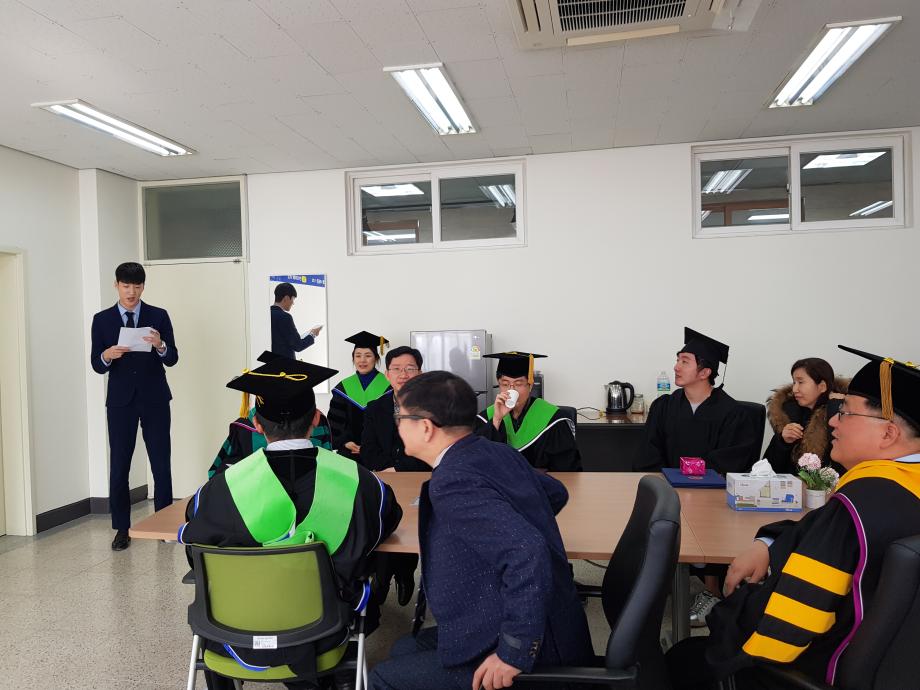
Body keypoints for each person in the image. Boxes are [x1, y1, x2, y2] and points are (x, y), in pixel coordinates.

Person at [665, 346, 920, 690]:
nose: (833, 420)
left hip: (811, 668)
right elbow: (818, 531)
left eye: (846, 412)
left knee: (682, 659)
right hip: (894, 667)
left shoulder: (858, 504)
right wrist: (767, 543)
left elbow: (785, 624)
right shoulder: (896, 488)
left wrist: (728, 613)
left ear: (888, 433)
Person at [179, 356, 403, 690]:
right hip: (327, 632)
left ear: (257, 424)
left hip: (234, 632)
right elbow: (386, 523)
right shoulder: (359, 481)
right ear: (316, 419)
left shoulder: (221, 489)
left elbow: (196, 546)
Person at [369, 371, 593, 690]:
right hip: (543, 615)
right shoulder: (493, 450)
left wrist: (514, 651)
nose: (397, 425)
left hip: (535, 644)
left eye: (400, 417)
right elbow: (555, 493)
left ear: (426, 427)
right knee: (404, 647)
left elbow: (527, 550)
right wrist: (493, 543)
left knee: (382, 678)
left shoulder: (454, 480)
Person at [638, 327, 755, 625]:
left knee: (710, 521)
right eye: (678, 359)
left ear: (705, 372)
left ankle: (711, 591)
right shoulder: (664, 406)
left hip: (711, 497)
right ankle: (663, 583)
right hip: (669, 491)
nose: (677, 366)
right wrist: (666, 482)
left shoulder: (732, 412)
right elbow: (649, 450)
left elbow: (733, 459)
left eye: (685, 361)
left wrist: (693, 480)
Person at [90, 261, 178, 551]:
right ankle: (122, 529)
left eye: (137, 286)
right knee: (119, 465)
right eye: (126, 286)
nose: (131, 292)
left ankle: (164, 525)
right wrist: (107, 355)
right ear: (116, 285)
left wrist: (161, 345)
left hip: (155, 399)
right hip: (120, 402)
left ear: (143, 287)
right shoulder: (102, 320)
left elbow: (172, 358)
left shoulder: (158, 315)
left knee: (161, 463)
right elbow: (96, 364)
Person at [360, 345, 428, 607]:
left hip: (418, 484)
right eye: (396, 369)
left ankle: (404, 573)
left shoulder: (433, 409)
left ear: (420, 373)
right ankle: (384, 576)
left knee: (410, 530)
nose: (403, 374)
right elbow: (368, 452)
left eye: (410, 368)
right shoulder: (375, 408)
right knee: (385, 525)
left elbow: (431, 452)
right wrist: (389, 469)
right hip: (384, 483)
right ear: (387, 374)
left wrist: (398, 468)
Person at [207, 351, 331, 479]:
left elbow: (220, 476)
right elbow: (329, 464)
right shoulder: (318, 421)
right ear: (315, 418)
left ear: (257, 423)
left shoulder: (243, 427)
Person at [474, 351, 581, 471]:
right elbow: (477, 462)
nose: (511, 390)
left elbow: (567, 470)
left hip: (540, 482)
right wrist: (496, 420)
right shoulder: (487, 417)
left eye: (519, 384)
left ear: (530, 386)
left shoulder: (553, 419)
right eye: (505, 384)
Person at [763, 357, 847, 475]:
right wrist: (783, 441)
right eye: (794, 382)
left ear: (822, 386)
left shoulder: (842, 412)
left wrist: (836, 407)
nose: (795, 389)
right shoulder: (789, 412)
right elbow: (766, 469)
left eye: (801, 382)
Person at [328, 331, 391, 459]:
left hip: (380, 453)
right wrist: (344, 442)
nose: (362, 360)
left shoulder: (389, 387)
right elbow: (334, 423)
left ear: (376, 358)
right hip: (349, 453)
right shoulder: (343, 388)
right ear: (353, 359)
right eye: (358, 356)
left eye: (368, 355)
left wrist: (374, 445)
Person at [271, 282, 323, 359]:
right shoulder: (285, 317)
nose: (293, 303)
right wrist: (313, 334)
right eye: (293, 299)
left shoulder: (266, 314)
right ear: (286, 298)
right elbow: (298, 346)